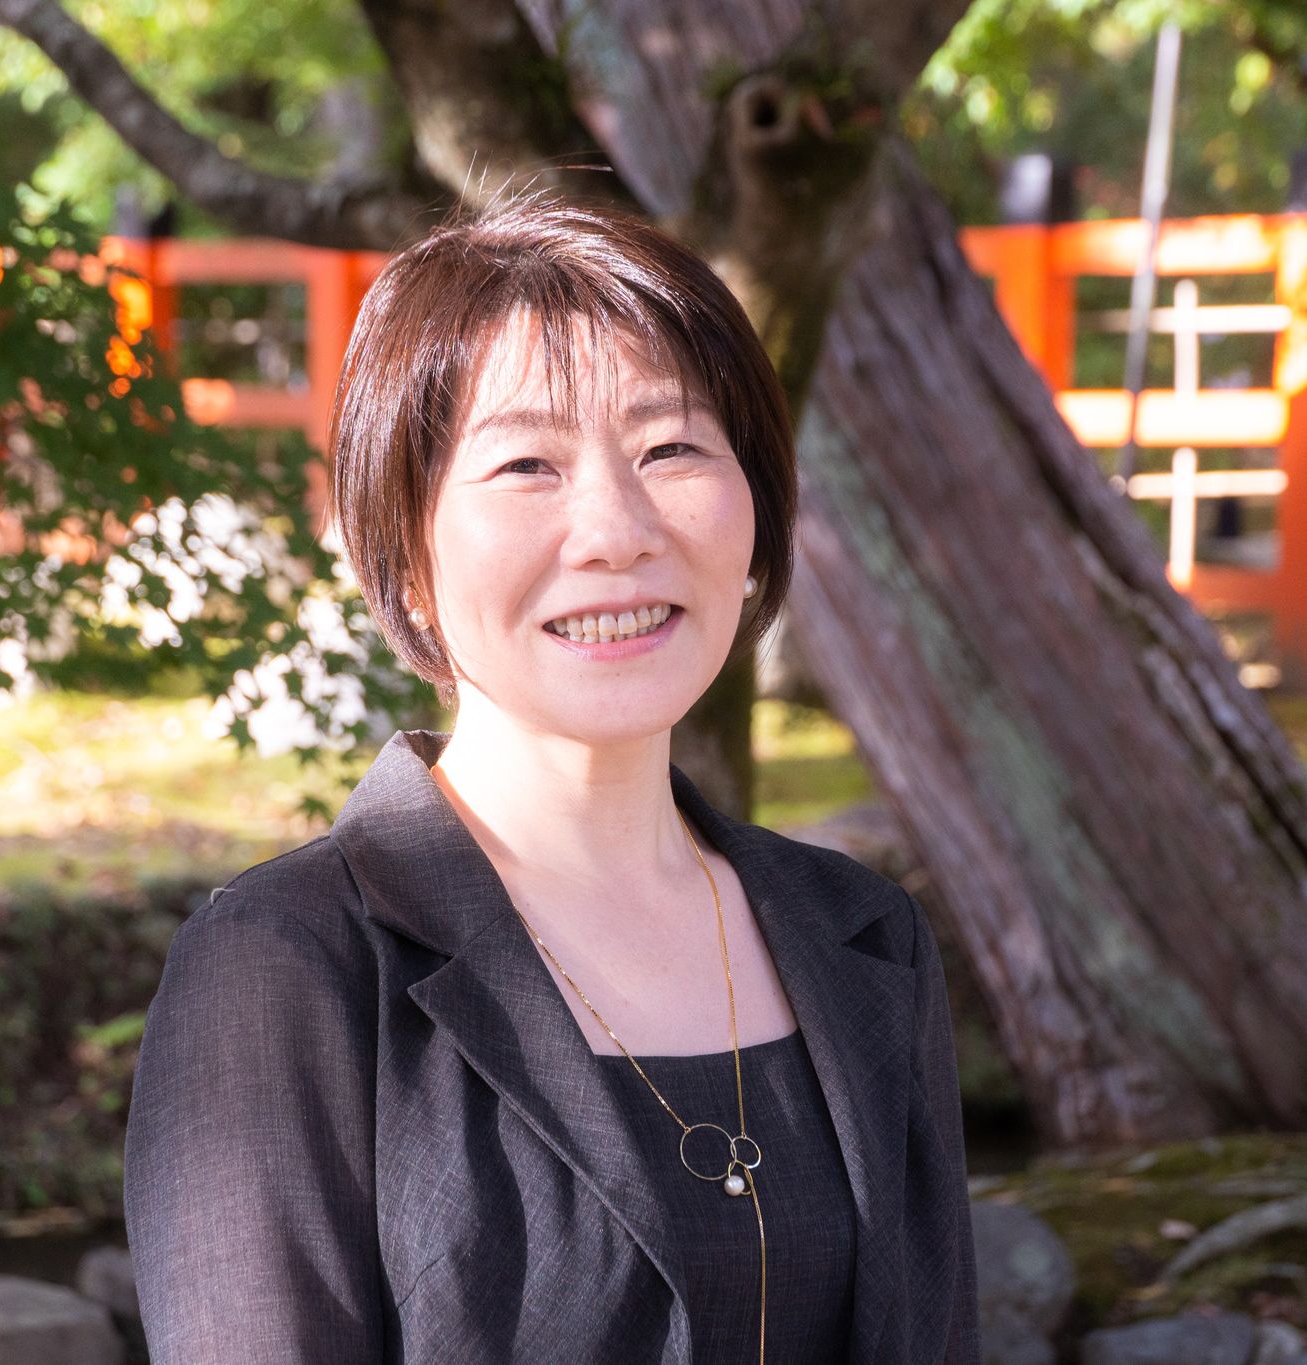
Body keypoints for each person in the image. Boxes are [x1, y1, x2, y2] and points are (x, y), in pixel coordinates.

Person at [122, 192, 983, 1364]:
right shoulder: (290, 968)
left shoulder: (862, 938)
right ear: (404, 556)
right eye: (526, 464)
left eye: (670, 448)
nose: (615, 531)